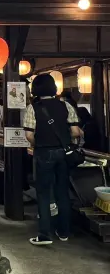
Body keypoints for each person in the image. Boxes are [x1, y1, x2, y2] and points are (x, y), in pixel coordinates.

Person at [23, 73, 81, 246]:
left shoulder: (32, 108)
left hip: (43, 153)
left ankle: (44, 234)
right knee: (62, 191)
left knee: (43, 193)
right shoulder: (66, 106)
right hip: (63, 153)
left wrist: (37, 144)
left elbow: (29, 135)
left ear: (35, 89)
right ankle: (63, 232)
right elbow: (76, 132)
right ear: (53, 88)